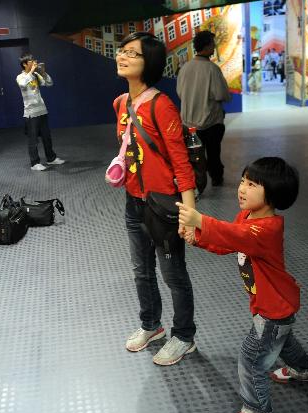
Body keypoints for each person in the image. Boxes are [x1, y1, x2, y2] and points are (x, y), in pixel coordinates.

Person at [176, 157, 308, 413]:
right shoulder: (247, 216)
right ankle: (303, 369)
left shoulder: (267, 229)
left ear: (272, 195)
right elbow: (228, 242)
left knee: (251, 359)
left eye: (252, 184)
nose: (242, 188)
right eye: (242, 181)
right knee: (282, 342)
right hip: (274, 305)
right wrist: (197, 237)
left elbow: (234, 235)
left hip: (272, 309)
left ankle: (256, 410)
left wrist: (200, 220)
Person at [105, 32, 197, 366]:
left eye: (132, 53)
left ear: (150, 63)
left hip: (164, 206)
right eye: (122, 50)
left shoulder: (162, 106)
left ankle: (184, 336)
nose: (122, 56)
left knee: (174, 275)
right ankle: (151, 326)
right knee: (141, 271)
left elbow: (181, 164)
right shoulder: (120, 103)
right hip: (134, 203)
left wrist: (190, 215)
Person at [177, 30, 231, 187]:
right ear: (207, 47)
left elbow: (180, 93)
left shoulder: (185, 69)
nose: (214, 48)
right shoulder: (212, 69)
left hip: (189, 124)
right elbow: (221, 94)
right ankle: (216, 178)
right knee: (214, 153)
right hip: (211, 122)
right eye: (213, 45)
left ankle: (198, 182)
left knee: (195, 155)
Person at [16, 53, 65, 171]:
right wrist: (31, 72)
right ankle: (34, 163)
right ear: (24, 64)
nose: (33, 62)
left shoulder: (36, 75)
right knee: (33, 139)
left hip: (42, 111)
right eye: (30, 61)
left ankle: (51, 158)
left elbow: (49, 83)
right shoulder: (20, 77)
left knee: (46, 137)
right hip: (31, 113)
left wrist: (43, 72)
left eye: (33, 61)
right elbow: (22, 84)